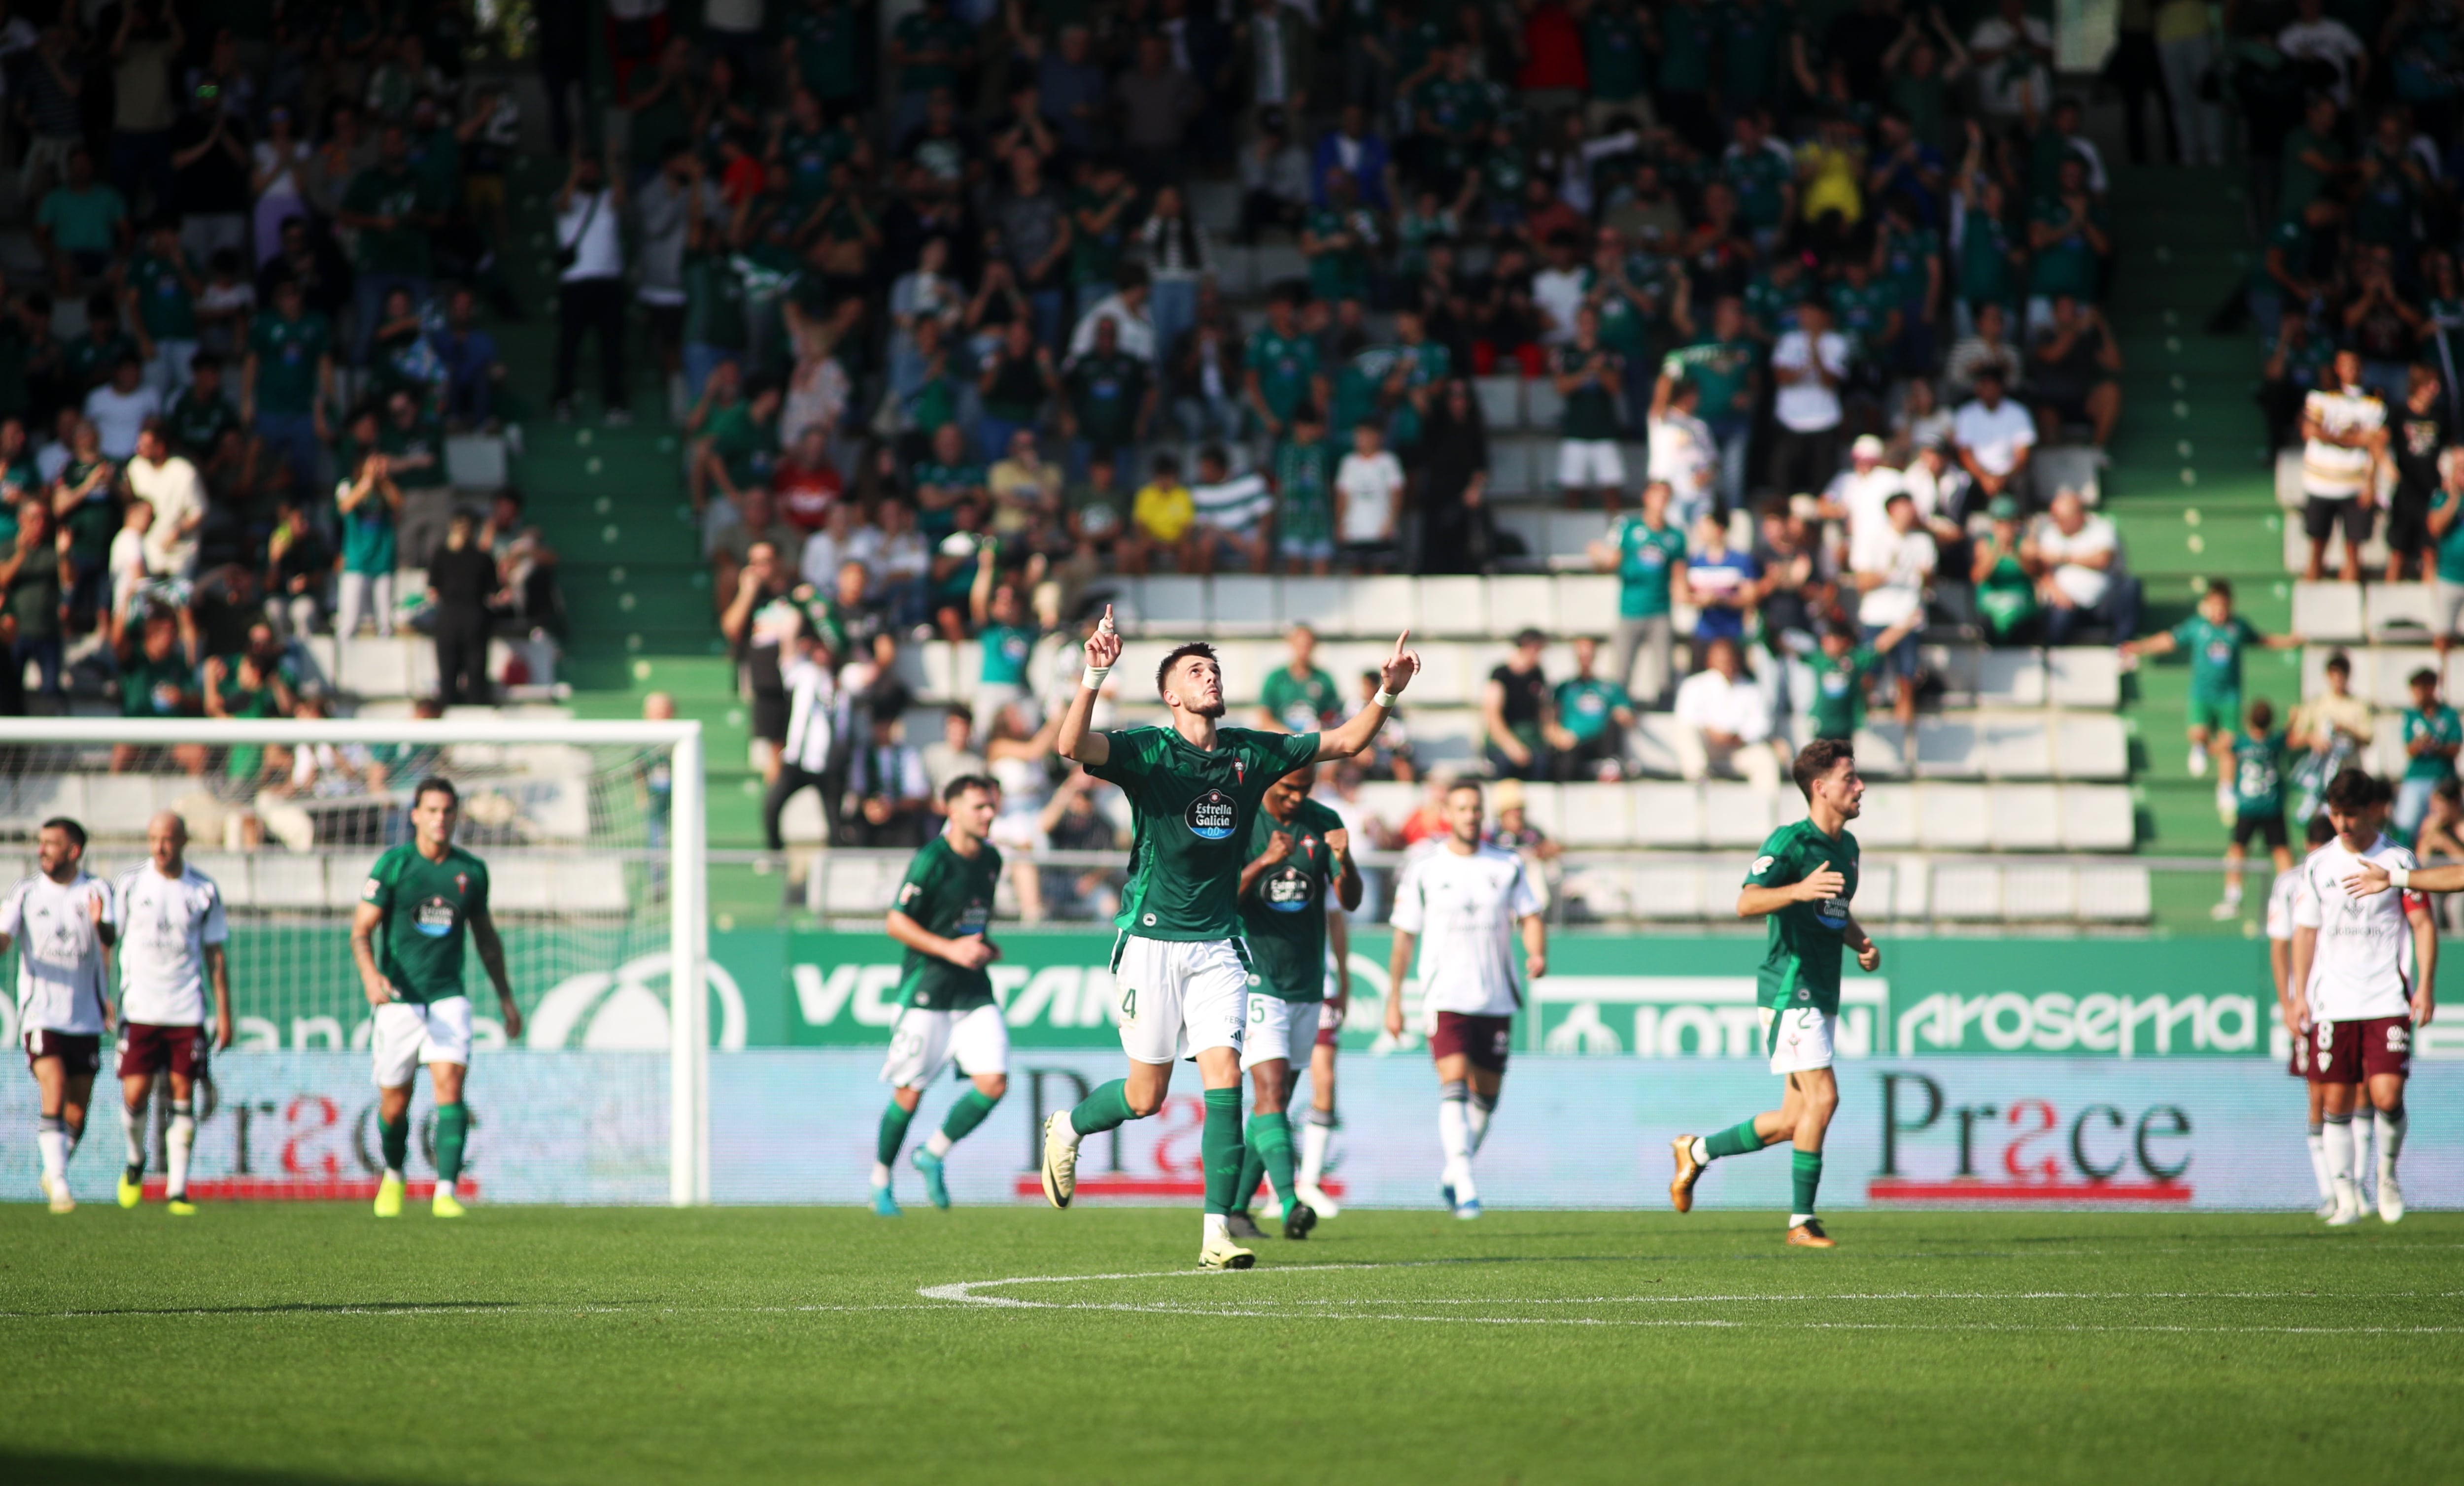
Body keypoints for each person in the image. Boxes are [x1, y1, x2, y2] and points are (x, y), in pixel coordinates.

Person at [1037, 613, 1420, 1272]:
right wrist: (1094, 677)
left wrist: (1387, 693)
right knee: (1145, 1098)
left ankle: (1217, 1232)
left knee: (1225, 1082)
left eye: (1213, 670)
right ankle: (1067, 1127)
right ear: (1172, 696)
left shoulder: (1253, 750)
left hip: (1219, 944)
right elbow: (1073, 745)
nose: (1210, 677)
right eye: (1195, 672)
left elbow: (1349, 742)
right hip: (1151, 939)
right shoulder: (1150, 752)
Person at [1669, 739, 1877, 1246]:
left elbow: (1833, 910)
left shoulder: (1846, 848)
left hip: (1823, 988)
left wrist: (1860, 941)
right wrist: (1795, 891)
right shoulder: (1790, 842)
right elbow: (1745, 901)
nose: (1859, 785)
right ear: (1819, 787)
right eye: (1849, 777)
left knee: (1791, 1119)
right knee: (1824, 1097)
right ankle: (1800, 1221)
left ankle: (1695, 1151)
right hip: (1789, 987)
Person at [352, 778, 524, 1219]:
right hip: (398, 1000)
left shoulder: (471, 871)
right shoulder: (394, 865)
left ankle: (446, 1191)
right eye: (431, 810)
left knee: (450, 1087)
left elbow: (486, 939)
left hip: (448, 998)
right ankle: (393, 1174)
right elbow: (360, 931)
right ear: (415, 815)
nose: (440, 819)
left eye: (447, 810)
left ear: (457, 815)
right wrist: (372, 978)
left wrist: (506, 998)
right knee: (395, 1102)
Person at [1382, 778, 1544, 1220]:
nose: (1471, 815)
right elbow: (1403, 937)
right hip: (1445, 995)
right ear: (1448, 815)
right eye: (1462, 808)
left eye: (1476, 808)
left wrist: (1536, 953)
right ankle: (1467, 1185)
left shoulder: (1507, 865)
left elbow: (1531, 915)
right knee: (1453, 1085)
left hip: (1495, 995)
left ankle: (1455, 1170)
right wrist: (1394, 998)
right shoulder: (1426, 868)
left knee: (1486, 1098)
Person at [1227, 769, 1360, 1240]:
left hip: (1307, 982)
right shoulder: (1242, 822)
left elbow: (1351, 900)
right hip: (1257, 978)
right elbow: (1224, 898)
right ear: (1269, 784)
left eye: (1303, 790)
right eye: (1287, 790)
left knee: (1276, 1102)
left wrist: (1346, 860)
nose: (1295, 798)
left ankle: (1237, 1211)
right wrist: (1266, 861)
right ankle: (1289, 1204)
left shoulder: (1323, 821)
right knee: (1270, 1095)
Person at [870, 775, 1009, 1217]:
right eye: (978, 807)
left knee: (994, 1083)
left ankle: (932, 1153)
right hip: (927, 990)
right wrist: (950, 948)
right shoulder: (932, 859)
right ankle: (880, 1182)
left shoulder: (991, 860)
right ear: (952, 811)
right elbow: (895, 923)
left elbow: (969, 922)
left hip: (971, 991)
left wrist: (983, 945)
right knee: (909, 1093)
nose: (989, 814)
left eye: (991, 806)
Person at [2304, 769, 2435, 1225]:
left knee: (2386, 1094)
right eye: (2336, 814)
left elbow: (2422, 924)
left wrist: (2426, 986)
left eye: (2351, 814)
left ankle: (2386, 1174)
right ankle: (2346, 1195)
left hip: (2386, 999)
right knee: (2335, 1102)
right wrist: (2300, 994)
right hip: (2333, 1002)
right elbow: (2307, 930)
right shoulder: (2319, 864)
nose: (2342, 823)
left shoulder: (2398, 859)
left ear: (2374, 811)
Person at [109, 811, 229, 1214]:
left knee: (183, 1093)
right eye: (153, 838)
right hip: (140, 1007)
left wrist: (225, 1014)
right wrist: (104, 993)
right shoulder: (130, 884)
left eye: (168, 839)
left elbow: (216, 955)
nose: (160, 847)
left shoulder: (203, 889)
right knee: (136, 1093)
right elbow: (109, 941)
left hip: (186, 1008)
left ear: (183, 840)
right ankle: (135, 1160)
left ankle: (178, 1189)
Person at [2, 817, 116, 1212]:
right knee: (53, 1087)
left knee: (77, 1112)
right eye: (41, 842)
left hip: (85, 1015)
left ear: (74, 851)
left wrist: (102, 924)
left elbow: (110, 939)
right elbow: (5, 935)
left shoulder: (96, 890)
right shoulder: (27, 892)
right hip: (42, 1014)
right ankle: (62, 1189)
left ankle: (54, 1170)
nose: (42, 850)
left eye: (52, 843)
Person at [2121, 579, 2298, 780]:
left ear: (2231, 605)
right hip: (2202, 693)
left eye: (2224, 606)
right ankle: (2200, 748)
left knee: (2228, 746)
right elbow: (2169, 640)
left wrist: (2288, 641)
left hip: (2229, 695)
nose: (2220, 611)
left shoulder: (2238, 627)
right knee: (2198, 733)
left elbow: (2263, 640)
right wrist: (2141, 647)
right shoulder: (2197, 627)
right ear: (2207, 605)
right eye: (2215, 606)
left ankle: (2226, 790)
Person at [2270, 812, 2342, 1216]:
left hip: (2352, 999)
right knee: (2319, 1093)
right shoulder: (2291, 883)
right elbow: (2280, 946)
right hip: (2311, 1005)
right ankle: (2331, 1191)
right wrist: (2288, 1001)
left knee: (2360, 1091)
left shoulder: (2356, 875)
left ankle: (2354, 1185)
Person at [1593, 479, 1688, 708]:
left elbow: (1679, 577)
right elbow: (1611, 563)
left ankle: (1665, 705)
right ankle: (1620, 710)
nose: (1660, 503)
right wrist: (1599, 558)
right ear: (1647, 498)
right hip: (1631, 608)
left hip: (1660, 609)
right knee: (1622, 668)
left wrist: (1687, 596)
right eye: (1657, 496)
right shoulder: (1629, 528)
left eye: (1665, 498)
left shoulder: (1675, 536)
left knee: (1665, 668)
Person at [551, 150, 630, 424]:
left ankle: (616, 404)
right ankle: (562, 400)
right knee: (569, 346)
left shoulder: (607, 197)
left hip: (609, 281)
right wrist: (574, 173)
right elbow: (562, 205)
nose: (590, 174)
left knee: (612, 347)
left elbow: (621, 199)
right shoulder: (566, 196)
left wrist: (612, 167)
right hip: (576, 282)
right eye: (586, 169)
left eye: (592, 170)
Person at [2300, 349, 2385, 582]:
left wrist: (2371, 483)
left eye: (2356, 366)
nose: (2352, 371)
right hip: (2321, 483)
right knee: (2317, 548)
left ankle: (2349, 606)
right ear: (2337, 368)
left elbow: (2375, 443)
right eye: (2346, 365)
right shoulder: (2321, 397)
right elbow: (2310, 431)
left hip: (2354, 485)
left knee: (2354, 551)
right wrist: (2354, 439)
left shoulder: (2373, 402)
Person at [2217, 699, 2295, 921]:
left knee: (2238, 851)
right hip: (2271, 806)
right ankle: (2290, 896)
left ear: (2249, 720)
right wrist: (2293, 720)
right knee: (2281, 852)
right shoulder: (2274, 743)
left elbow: (2222, 748)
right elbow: (2288, 736)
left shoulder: (2241, 743)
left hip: (2248, 806)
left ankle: (2233, 897)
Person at [1675, 637, 1785, 787]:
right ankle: (1700, 782)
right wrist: (1712, 732)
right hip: (1707, 746)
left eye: (1729, 659)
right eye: (1721, 660)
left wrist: (1737, 738)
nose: (1726, 664)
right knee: (1686, 733)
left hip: (1738, 748)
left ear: (1737, 660)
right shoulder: (1694, 685)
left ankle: (1766, 806)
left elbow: (1761, 725)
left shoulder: (1752, 690)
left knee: (1765, 758)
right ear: (1710, 661)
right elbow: (1686, 717)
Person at [1548, 635, 1636, 781]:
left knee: (1613, 725)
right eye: (1582, 655)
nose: (1585, 659)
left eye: (1588, 654)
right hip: (1574, 743)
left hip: (1601, 741)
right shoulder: (1564, 689)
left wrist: (1623, 715)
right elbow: (1550, 719)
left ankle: (1611, 763)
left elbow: (1627, 715)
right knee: (1565, 765)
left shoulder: (1609, 687)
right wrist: (1558, 736)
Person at [2398, 669, 2462, 843]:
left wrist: (2436, 747)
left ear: (2430, 689)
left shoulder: (2448, 715)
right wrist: (2421, 745)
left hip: (2443, 779)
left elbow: (2455, 748)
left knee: (2444, 825)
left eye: (2418, 690)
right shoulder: (2411, 715)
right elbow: (2409, 749)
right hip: (2416, 777)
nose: (2415, 696)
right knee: (2407, 824)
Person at [1259, 622, 1340, 734]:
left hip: (1315, 742)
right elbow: (1265, 718)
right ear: (1291, 644)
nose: (1304, 649)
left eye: (1308, 645)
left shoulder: (1324, 679)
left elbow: (1333, 716)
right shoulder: (1276, 678)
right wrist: (1291, 737)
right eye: (1300, 645)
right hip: (1282, 742)